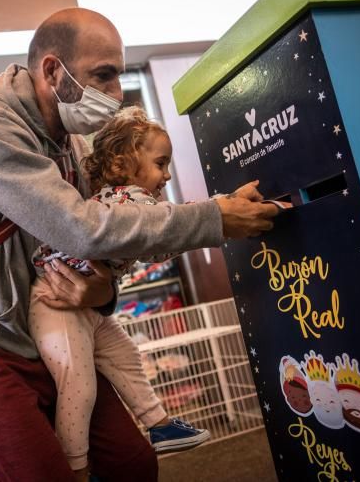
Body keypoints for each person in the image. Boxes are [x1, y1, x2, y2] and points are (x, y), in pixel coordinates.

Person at [0, 7, 281, 482]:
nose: (116, 94)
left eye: (119, 77)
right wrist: (214, 219)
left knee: (129, 463)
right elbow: (85, 228)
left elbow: (104, 245)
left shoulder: (72, 140)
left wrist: (103, 291)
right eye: (103, 76)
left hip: (50, 322)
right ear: (52, 71)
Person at [29, 106, 218, 482]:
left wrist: (197, 219)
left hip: (85, 307)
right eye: (161, 163)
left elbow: (160, 234)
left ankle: (159, 424)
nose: (166, 175)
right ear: (123, 162)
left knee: (126, 356)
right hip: (56, 303)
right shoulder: (127, 202)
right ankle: (76, 468)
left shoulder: (131, 200)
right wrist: (213, 218)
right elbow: (157, 241)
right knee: (78, 386)